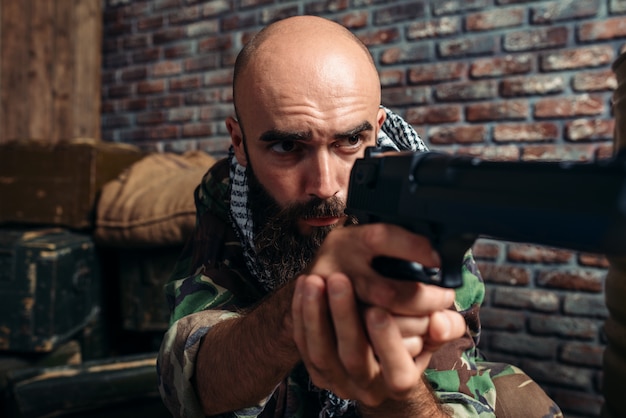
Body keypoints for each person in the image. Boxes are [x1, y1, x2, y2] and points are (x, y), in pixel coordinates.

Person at [157, 15, 562, 418]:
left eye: (349, 141)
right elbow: (191, 375)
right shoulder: (229, 189)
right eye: (286, 146)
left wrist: (392, 393)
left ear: (376, 131)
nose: (325, 185)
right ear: (240, 142)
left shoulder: (420, 200)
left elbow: (448, 384)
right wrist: (303, 305)